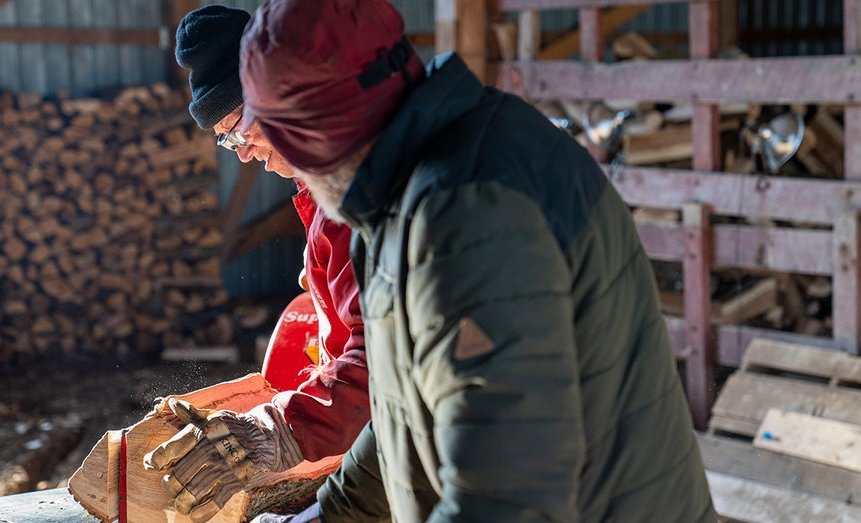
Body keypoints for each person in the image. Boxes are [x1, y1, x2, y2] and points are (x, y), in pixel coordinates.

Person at [234, 0, 719, 522]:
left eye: (276, 139)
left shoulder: (464, 215)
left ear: (320, 128)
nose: (272, 161)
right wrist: (329, 516)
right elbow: (409, 411)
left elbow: (505, 493)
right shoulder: (417, 186)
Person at [143, 6, 370, 523]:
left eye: (241, 129)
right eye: (228, 140)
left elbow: (383, 370)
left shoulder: (359, 195)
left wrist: (281, 431)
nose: (242, 154)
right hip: (376, 440)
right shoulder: (320, 191)